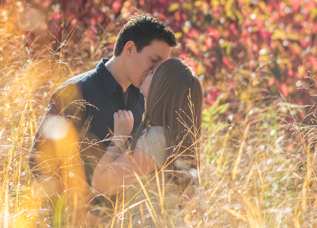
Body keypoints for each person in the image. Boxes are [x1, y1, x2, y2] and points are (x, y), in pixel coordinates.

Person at [30, 14, 177, 196]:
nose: (156, 71)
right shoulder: (76, 92)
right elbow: (40, 165)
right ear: (130, 48)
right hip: (76, 220)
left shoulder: (143, 100)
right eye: (154, 60)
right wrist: (76, 211)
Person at [91, 57, 203, 197]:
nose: (147, 71)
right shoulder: (171, 138)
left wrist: (119, 138)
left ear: (162, 87)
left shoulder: (155, 140)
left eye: (153, 72)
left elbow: (101, 185)